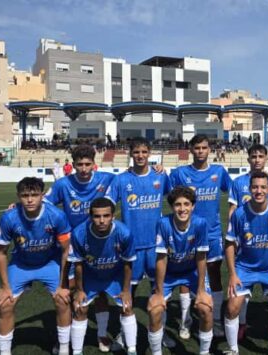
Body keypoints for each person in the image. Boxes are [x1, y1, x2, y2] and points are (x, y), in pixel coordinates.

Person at [44, 144, 117, 350]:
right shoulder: (63, 184)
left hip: (98, 246)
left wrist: (157, 169)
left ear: (94, 164)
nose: (84, 169)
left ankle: (102, 335)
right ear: (73, 165)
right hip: (72, 248)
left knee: (100, 293)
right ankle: (64, 339)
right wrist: (18, 206)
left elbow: (130, 178)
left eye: (87, 164)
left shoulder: (106, 179)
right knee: (68, 291)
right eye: (79, 165)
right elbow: (45, 203)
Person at [104, 137, 172, 349]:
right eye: (136, 152)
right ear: (130, 154)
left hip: (155, 247)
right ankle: (124, 335)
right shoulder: (121, 180)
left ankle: (161, 333)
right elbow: (106, 206)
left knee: (159, 292)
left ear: (149, 153)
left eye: (144, 152)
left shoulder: (160, 176)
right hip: (130, 248)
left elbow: (176, 198)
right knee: (127, 293)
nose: (140, 156)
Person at [0, 177, 72, 355]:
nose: (29, 200)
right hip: (21, 265)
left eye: (34, 195)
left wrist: (62, 285)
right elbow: (0, 253)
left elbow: (66, 251)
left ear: (42, 195)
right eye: (25, 195)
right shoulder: (9, 217)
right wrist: (5, 287)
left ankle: (64, 349)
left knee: (63, 300)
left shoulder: (57, 216)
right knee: (4, 304)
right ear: (18, 196)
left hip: (49, 263)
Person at [169, 134, 232, 337]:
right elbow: (166, 189)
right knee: (186, 276)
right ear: (191, 150)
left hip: (212, 233)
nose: (200, 151)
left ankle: (216, 319)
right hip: (186, 233)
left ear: (209, 150)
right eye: (197, 148)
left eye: (204, 148)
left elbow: (234, 193)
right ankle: (185, 321)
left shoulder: (218, 172)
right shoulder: (180, 173)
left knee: (214, 274)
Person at [224, 172, 268, 355]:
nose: (259, 191)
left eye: (263, 187)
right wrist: (233, 274)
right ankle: (232, 349)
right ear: (249, 189)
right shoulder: (239, 214)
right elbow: (229, 244)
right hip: (244, 268)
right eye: (255, 187)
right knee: (231, 308)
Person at [227, 144, 268, 340]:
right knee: (240, 290)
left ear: (266, 158)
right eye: (254, 156)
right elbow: (232, 210)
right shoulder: (238, 182)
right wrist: (233, 236)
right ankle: (241, 323)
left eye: (261, 156)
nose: (257, 160)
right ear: (248, 159)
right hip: (245, 241)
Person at [147, 186, 214, 355]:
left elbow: (201, 257)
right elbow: (161, 259)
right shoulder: (163, 223)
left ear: (193, 206)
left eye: (186, 204)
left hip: (191, 271)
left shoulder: (200, 223)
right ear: (171, 206)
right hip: (169, 273)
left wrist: (201, 291)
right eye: (178, 204)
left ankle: (204, 352)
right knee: (155, 310)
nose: (182, 209)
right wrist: (159, 293)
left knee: (206, 308)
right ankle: (156, 352)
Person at [69, 197, 137, 355]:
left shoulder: (124, 233)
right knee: (80, 308)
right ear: (90, 217)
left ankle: (132, 350)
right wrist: (79, 290)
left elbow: (128, 263)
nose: (101, 220)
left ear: (113, 216)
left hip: (115, 275)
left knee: (127, 307)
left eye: (106, 216)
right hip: (91, 275)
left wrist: (126, 290)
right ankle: (77, 351)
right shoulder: (79, 233)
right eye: (97, 216)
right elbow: (78, 264)